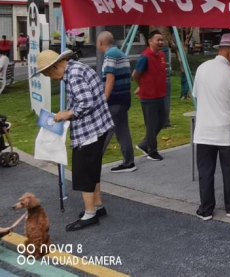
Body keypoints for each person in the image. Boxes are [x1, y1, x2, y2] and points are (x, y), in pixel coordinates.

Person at [36, 50, 114, 231]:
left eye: (48, 74)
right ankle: (98, 207)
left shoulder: (74, 75)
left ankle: (90, 214)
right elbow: (84, 99)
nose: (50, 78)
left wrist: (66, 114)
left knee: (84, 173)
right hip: (98, 127)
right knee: (92, 170)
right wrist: (67, 112)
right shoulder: (76, 69)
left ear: (54, 67)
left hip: (89, 131)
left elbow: (85, 103)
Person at [192, 34, 230, 221]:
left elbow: (196, 94)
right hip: (224, 131)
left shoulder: (201, 68)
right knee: (228, 170)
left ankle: (206, 209)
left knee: (205, 171)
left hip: (204, 130)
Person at [96, 32, 135, 173]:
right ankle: (129, 162)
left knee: (104, 132)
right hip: (124, 99)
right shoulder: (120, 53)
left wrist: (104, 99)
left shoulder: (110, 55)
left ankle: (93, 164)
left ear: (100, 43)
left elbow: (110, 78)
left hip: (114, 100)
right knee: (122, 131)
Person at [132, 30, 168, 161]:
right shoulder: (145, 57)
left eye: (162, 40)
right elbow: (135, 74)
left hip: (160, 94)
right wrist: (141, 86)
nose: (160, 42)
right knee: (151, 124)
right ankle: (152, 151)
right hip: (148, 96)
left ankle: (144, 144)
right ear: (150, 41)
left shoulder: (162, 55)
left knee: (162, 120)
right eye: (158, 40)